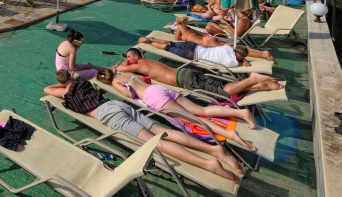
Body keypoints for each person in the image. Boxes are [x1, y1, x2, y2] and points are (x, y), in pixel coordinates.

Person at [44, 70, 243, 183]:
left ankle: (208, 164)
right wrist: (72, 79)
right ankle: (213, 149)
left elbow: (48, 90)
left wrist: (63, 86)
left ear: (62, 84)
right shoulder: (85, 83)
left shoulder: (66, 92)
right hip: (116, 105)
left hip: (107, 114)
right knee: (162, 132)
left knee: (156, 143)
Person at [100, 70, 257, 149]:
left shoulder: (115, 82)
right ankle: (241, 112)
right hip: (159, 89)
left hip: (154, 98)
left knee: (196, 120)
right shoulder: (127, 72)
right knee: (201, 111)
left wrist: (122, 88)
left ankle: (230, 134)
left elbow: (129, 94)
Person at [116, 49, 284, 97]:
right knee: (223, 85)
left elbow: (120, 69)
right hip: (185, 72)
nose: (127, 59)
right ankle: (261, 85)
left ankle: (252, 79)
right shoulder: (147, 61)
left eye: (129, 56)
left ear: (136, 57)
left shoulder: (138, 65)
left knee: (225, 92)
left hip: (184, 80)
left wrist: (123, 64)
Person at [137, 36, 276, 65]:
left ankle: (149, 39)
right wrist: (243, 61)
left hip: (194, 46)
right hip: (192, 54)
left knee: (170, 42)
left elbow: (234, 52)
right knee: (167, 48)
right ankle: (151, 43)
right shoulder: (233, 63)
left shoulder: (228, 48)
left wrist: (242, 58)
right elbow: (237, 60)